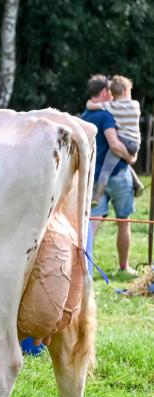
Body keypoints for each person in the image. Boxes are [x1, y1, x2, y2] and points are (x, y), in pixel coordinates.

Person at [81, 74, 138, 276]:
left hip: (93, 178)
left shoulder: (84, 116)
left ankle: (83, 265)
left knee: (93, 221)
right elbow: (114, 144)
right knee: (124, 220)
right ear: (105, 92)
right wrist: (130, 158)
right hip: (116, 174)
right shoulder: (106, 116)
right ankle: (124, 266)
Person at [86, 75, 145, 203]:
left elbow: (91, 106)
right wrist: (130, 157)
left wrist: (89, 103)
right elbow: (115, 145)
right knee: (122, 159)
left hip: (121, 143)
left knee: (106, 170)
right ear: (125, 92)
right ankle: (137, 183)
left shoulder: (111, 107)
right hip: (135, 143)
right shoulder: (135, 105)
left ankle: (97, 197)